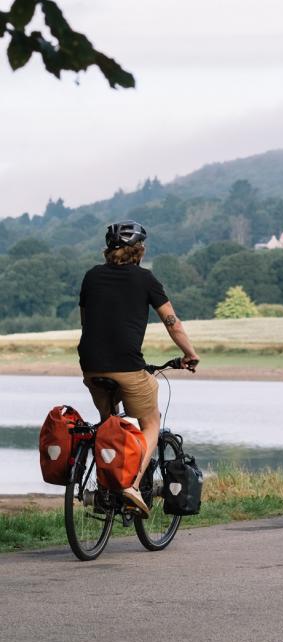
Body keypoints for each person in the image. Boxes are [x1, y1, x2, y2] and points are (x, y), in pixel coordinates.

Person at [78, 220, 199, 516]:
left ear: (109, 251)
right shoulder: (145, 279)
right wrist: (190, 354)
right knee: (151, 422)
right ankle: (130, 485)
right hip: (127, 366)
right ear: (139, 251)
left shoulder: (92, 276)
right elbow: (172, 322)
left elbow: (86, 320)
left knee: (109, 425)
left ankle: (105, 489)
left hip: (91, 366)